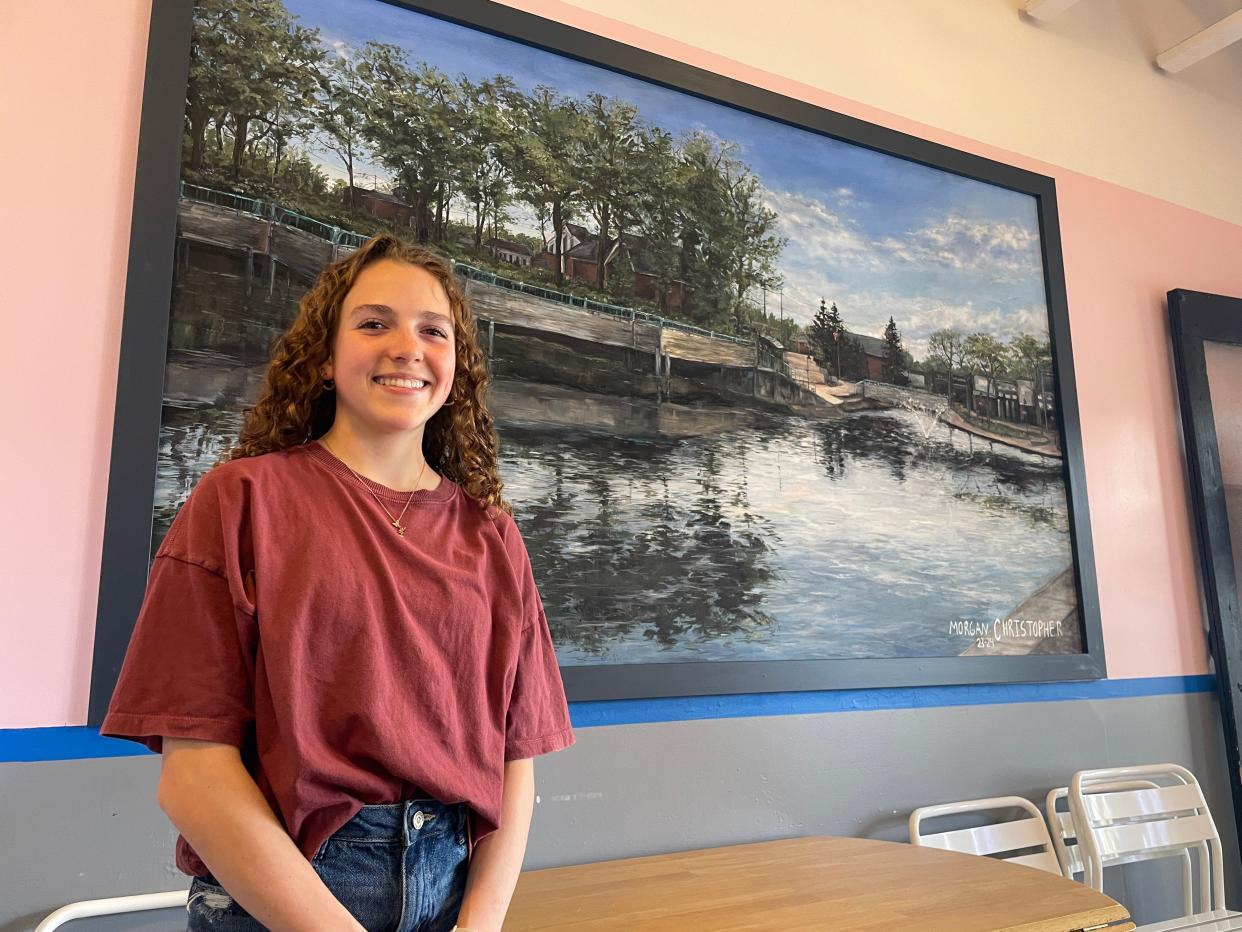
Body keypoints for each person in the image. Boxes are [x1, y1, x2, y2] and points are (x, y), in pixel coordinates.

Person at [101, 235, 575, 932]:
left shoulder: (493, 538)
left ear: (458, 368)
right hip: (282, 898)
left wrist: (479, 925)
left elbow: (515, 762)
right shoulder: (240, 503)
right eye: (374, 322)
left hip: (451, 892)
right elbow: (194, 775)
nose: (407, 346)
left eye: (432, 330)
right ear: (324, 358)